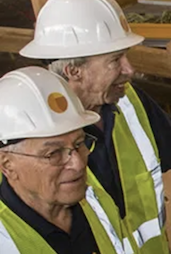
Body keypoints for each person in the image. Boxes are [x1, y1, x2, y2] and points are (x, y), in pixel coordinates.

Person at [18, 0, 171, 253]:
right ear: (74, 70)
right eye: (116, 60)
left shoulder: (129, 103)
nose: (130, 69)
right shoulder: (33, 138)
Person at [0, 67, 125, 254]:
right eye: (53, 153)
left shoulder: (97, 201)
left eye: (79, 144)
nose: (78, 164)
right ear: (7, 165)